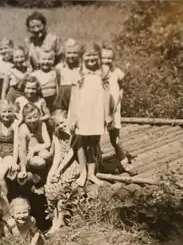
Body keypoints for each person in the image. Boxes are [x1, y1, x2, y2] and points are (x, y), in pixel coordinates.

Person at [69, 42, 109, 187]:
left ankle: (91, 173)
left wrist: (107, 115)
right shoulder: (79, 74)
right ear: (82, 56)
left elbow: (106, 95)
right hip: (82, 114)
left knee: (93, 143)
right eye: (88, 55)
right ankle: (82, 172)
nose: (91, 58)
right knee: (81, 143)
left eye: (94, 55)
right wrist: (73, 117)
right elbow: (74, 98)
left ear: (99, 56)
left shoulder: (103, 73)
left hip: (97, 113)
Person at [101, 44, 136, 175]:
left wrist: (117, 103)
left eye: (109, 58)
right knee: (94, 139)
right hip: (100, 110)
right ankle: (95, 163)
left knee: (115, 139)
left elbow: (121, 87)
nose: (106, 61)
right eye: (103, 58)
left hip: (114, 110)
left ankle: (124, 162)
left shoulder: (116, 72)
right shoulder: (97, 73)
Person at [44, 110, 80, 234]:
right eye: (57, 125)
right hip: (61, 164)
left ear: (68, 119)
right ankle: (53, 221)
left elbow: (71, 153)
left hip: (74, 163)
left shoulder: (74, 132)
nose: (60, 126)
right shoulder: (57, 135)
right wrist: (52, 172)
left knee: (62, 185)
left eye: (62, 122)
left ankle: (61, 219)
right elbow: (58, 157)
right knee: (49, 185)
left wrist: (59, 171)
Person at [0, 100, 20, 193]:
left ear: (13, 112)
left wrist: (14, 161)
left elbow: (16, 145)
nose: (7, 114)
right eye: (4, 111)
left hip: (10, 153)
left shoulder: (15, 124)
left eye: (9, 111)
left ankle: (4, 199)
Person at [18, 103, 52, 177]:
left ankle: (43, 174)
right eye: (29, 118)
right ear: (24, 118)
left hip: (37, 150)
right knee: (40, 162)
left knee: (46, 155)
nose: (33, 120)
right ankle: (33, 173)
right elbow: (22, 151)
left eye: (35, 117)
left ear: (39, 116)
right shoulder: (23, 129)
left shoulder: (41, 124)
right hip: (27, 154)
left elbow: (48, 143)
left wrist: (34, 150)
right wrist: (23, 170)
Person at [54, 38, 82, 111]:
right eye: (69, 53)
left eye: (75, 53)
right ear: (64, 54)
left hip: (78, 102)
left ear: (79, 54)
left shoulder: (82, 69)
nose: (71, 56)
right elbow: (57, 85)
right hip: (64, 103)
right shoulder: (59, 68)